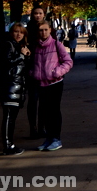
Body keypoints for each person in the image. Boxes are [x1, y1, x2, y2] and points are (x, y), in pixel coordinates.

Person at [31, 20, 73, 151]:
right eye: (40, 30)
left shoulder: (56, 44)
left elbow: (68, 61)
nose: (43, 32)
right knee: (44, 111)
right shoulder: (36, 47)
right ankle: (48, 138)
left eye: (45, 30)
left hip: (55, 83)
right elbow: (32, 64)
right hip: (41, 84)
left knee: (54, 111)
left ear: (50, 30)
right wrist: (33, 74)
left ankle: (56, 139)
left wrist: (57, 72)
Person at [0, 22, 31, 155]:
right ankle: (7, 145)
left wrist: (25, 56)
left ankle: (10, 144)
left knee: (11, 117)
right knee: (9, 116)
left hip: (16, 86)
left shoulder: (17, 46)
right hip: (9, 85)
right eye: (16, 31)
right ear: (11, 32)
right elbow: (6, 62)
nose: (19, 34)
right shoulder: (7, 44)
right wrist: (21, 55)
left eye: (21, 32)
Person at [25, 6, 46, 138]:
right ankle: (33, 128)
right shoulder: (28, 30)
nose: (37, 15)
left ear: (43, 15)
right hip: (32, 68)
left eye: (40, 13)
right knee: (33, 100)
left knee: (43, 101)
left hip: (45, 70)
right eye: (35, 13)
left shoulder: (48, 29)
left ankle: (41, 128)